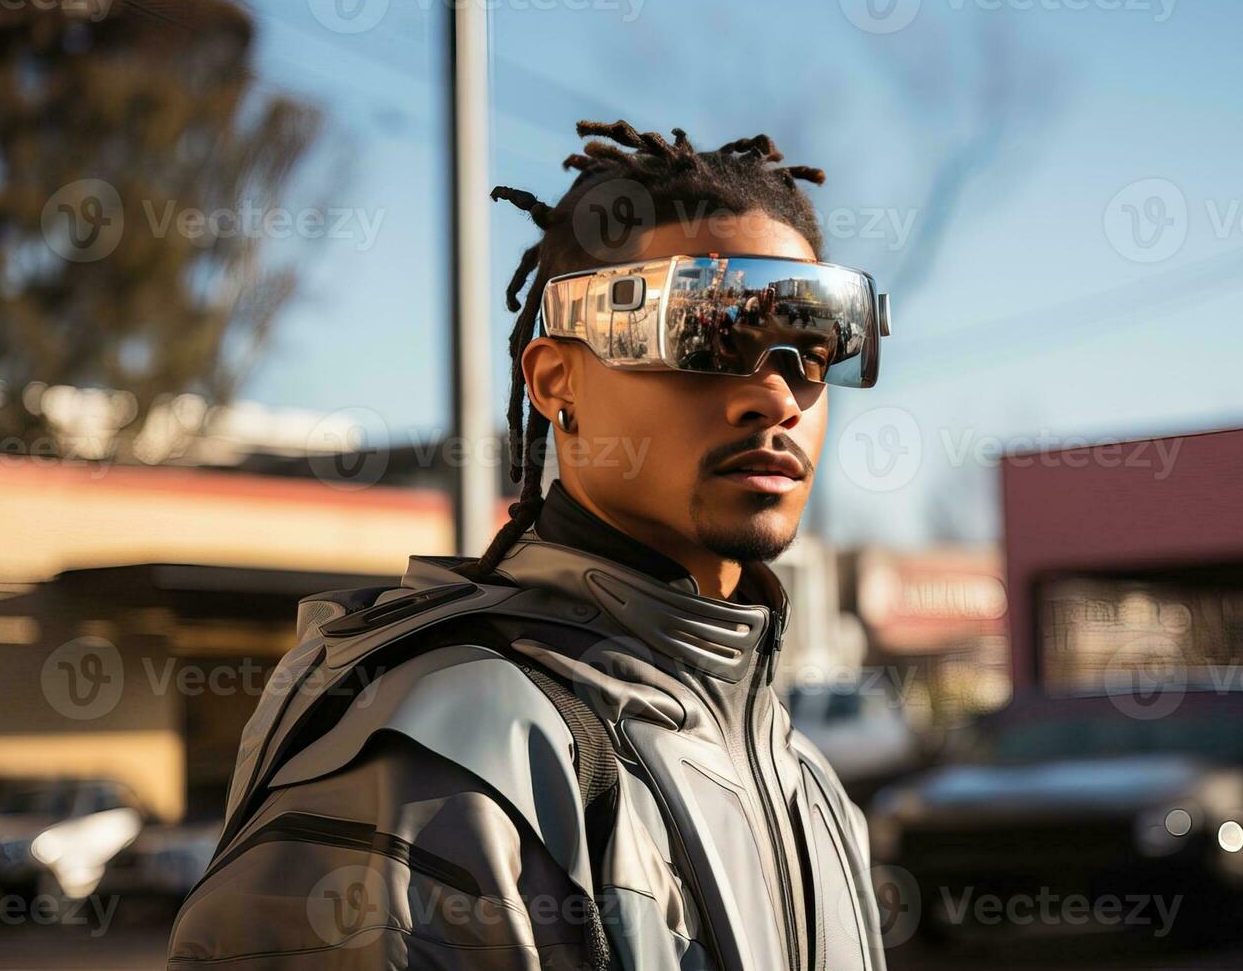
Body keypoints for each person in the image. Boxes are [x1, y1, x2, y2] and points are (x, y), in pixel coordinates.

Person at [166, 120, 890, 970]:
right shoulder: (437, 764)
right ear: (556, 380)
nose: (774, 396)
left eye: (811, 350)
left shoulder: (812, 789)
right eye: (707, 334)